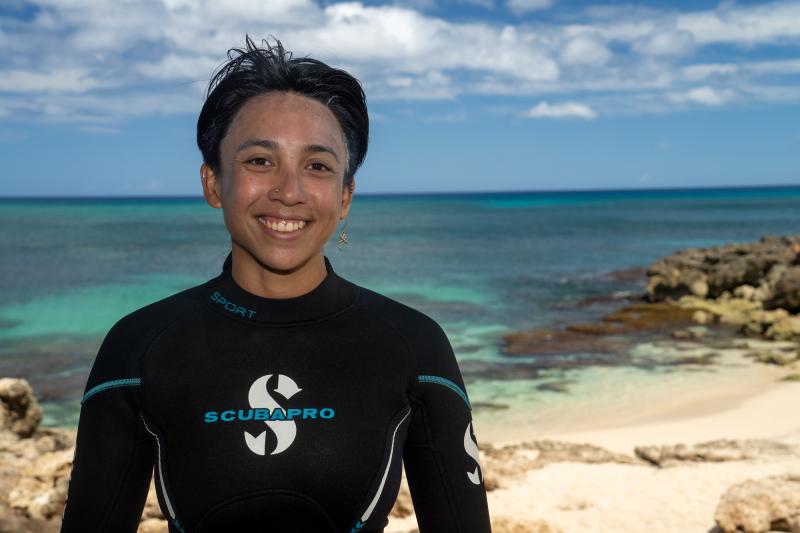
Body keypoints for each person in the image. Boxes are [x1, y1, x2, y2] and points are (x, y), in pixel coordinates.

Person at [60, 35, 492, 533]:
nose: (288, 192)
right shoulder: (139, 347)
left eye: (317, 166)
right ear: (213, 182)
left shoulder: (414, 344)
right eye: (260, 161)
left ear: (345, 195)